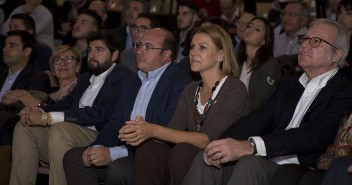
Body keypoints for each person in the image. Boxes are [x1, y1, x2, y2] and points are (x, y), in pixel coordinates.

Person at [182, 18, 352, 185]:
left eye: (315, 41)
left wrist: (252, 146)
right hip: (267, 159)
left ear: (337, 54)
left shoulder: (343, 91)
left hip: (302, 171)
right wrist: (220, 143)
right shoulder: (288, 86)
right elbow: (256, 119)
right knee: (207, 157)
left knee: (249, 164)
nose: (304, 45)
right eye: (304, 39)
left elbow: (316, 134)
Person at [120, 24, 249, 185]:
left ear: (220, 55)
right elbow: (173, 131)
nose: (193, 52)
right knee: (149, 148)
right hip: (189, 159)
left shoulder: (234, 88)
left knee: (182, 150)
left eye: (202, 48)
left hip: (221, 164)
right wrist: (140, 131)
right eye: (193, 47)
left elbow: (209, 139)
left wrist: (152, 130)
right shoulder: (191, 89)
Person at [63, 27, 192, 185]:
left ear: (166, 55)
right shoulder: (132, 81)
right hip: (124, 149)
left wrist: (113, 153)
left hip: (152, 157)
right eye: (139, 45)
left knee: (119, 169)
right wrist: (97, 147)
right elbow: (115, 123)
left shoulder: (180, 84)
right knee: (75, 157)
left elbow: (163, 135)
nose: (139, 51)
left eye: (148, 47)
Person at [9, 30, 132, 185]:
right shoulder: (85, 78)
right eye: (90, 50)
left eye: (99, 50)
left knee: (61, 129)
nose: (92, 54)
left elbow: (102, 112)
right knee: (24, 126)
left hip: (98, 137)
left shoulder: (122, 75)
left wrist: (48, 118)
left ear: (114, 56)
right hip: (66, 134)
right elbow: (64, 104)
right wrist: (37, 111)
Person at [2, 45, 81, 107]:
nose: (62, 64)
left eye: (68, 59)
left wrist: (32, 101)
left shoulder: (82, 87)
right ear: (53, 70)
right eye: (57, 60)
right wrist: (18, 97)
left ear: (78, 66)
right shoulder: (50, 96)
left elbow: (67, 113)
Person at [237, 17, 281, 112]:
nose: (250, 29)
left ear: (264, 40)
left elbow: (256, 104)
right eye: (249, 26)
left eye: (257, 29)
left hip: (252, 119)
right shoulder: (237, 61)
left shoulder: (270, 65)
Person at [69, 9, 102, 73]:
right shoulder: (65, 49)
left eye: (83, 23)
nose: (77, 26)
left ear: (95, 29)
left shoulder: (97, 57)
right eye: (76, 22)